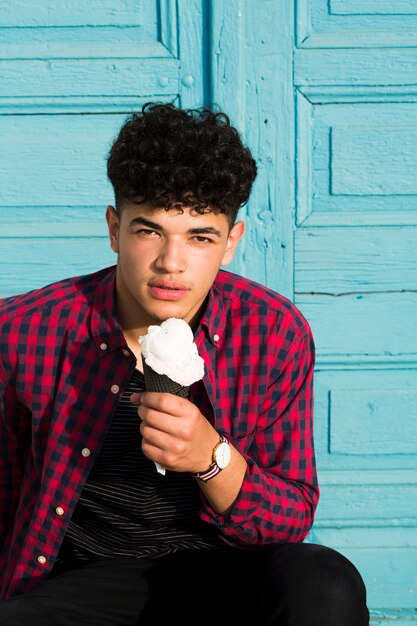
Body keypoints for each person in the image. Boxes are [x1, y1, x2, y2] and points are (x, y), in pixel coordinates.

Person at [0, 102, 369, 625]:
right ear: (114, 228)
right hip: (83, 579)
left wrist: (209, 456)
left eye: (200, 237)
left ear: (231, 243)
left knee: (326, 583)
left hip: (226, 569)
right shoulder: (24, 329)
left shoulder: (271, 331)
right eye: (149, 231)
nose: (171, 263)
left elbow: (290, 517)